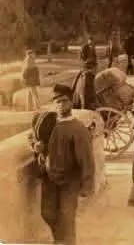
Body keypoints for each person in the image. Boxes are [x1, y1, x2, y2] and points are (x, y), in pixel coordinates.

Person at [38, 84, 95, 245]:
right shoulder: (49, 122)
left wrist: (86, 186)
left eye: (64, 101)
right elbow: (34, 136)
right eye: (57, 102)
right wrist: (37, 146)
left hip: (70, 181)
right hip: (49, 178)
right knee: (47, 213)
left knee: (67, 216)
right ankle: (60, 240)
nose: (60, 105)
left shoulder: (78, 128)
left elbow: (87, 160)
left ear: (71, 103)